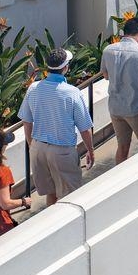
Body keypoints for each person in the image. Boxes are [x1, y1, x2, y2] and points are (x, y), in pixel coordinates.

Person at [17, 48, 94, 206]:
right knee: (70, 197)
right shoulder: (72, 93)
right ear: (65, 68)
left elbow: (26, 120)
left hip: (38, 149)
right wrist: (90, 150)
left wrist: (32, 145)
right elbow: (84, 127)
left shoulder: (33, 88)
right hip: (62, 151)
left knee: (50, 194)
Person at [100, 16, 138, 164]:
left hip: (115, 108)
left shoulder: (108, 50)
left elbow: (105, 75)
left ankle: (119, 179)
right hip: (135, 108)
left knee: (123, 147)